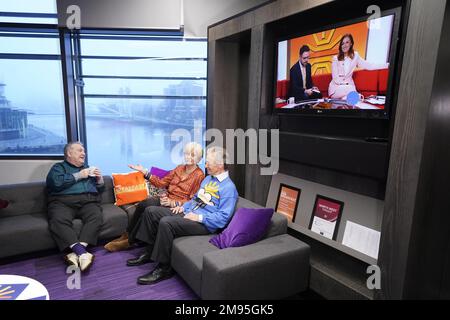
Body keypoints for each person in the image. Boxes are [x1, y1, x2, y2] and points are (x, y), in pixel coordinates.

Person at [127, 146, 238, 285]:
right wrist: (182, 207)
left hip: (205, 224)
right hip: (190, 212)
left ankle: (164, 268)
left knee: (166, 223)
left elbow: (223, 218)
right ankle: (149, 252)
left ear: (220, 165)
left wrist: (198, 217)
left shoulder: (229, 188)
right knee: (151, 211)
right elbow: (194, 200)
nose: (206, 164)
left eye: (208, 162)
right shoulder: (209, 179)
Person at [104, 142, 205, 252]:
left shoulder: (199, 175)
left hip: (177, 205)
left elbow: (192, 200)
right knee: (144, 203)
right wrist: (145, 172)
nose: (188, 157)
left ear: (199, 159)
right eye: (186, 153)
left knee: (149, 210)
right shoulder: (179, 168)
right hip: (165, 198)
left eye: (192, 155)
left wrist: (173, 202)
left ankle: (130, 241)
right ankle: (127, 234)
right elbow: (161, 183)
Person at [46, 142, 104, 272]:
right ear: (69, 153)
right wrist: (79, 175)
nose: (83, 153)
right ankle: (83, 254)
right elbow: (55, 183)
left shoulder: (88, 167)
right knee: (58, 220)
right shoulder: (58, 167)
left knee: (96, 216)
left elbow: (100, 189)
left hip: (88, 201)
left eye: (84, 151)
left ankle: (77, 252)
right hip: (62, 202)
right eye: (79, 150)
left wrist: (99, 179)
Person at [328, 33, 389, 99]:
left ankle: (347, 100)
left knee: (348, 98)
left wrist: (387, 65)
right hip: (336, 89)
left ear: (351, 44)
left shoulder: (355, 56)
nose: (344, 45)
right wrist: (347, 85)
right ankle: (357, 97)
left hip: (349, 89)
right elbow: (335, 78)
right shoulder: (335, 58)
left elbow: (369, 65)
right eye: (342, 43)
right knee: (351, 92)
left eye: (347, 42)